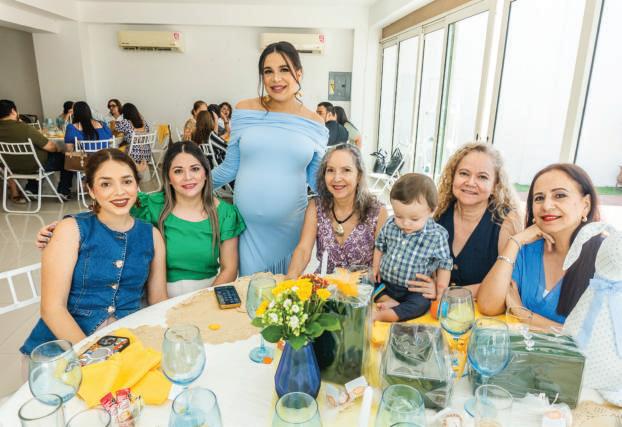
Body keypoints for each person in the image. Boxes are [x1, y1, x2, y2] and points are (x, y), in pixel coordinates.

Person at [38, 141, 245, 298]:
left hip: (207, 291)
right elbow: (108, 211)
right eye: (178, 171)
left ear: (206, 173)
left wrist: (205, 301)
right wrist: (64, 227)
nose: (188, 177)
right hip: (156, 293)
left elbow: (229, 268)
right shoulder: (150, 205)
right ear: (168, 178)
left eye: (195, 169)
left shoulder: (225, 213)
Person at [21, 148, 168, 356]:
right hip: (66, 347)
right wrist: (93, 356)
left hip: (126, 341)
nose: (119, 192)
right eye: (106, 184)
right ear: (91, 190)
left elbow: (158, 299)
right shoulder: (71, 230)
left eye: (127, 181)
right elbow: (52, 309)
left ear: (137, 185)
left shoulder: (151, 235)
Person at [211, 41, 328, 275]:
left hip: (291, 228)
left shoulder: (314, 122)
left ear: (298, 73)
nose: (276, 79)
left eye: (284, 69)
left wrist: (354, 204)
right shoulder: (245, 110)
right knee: (249, 292)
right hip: (247, 229)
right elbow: (229, 168)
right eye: (268, 71)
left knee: (286, 294)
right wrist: (181, 188)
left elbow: (317, 181)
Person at [479, 163, 602, 328]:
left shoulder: (607, 258)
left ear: (585, 205)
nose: (546, 206)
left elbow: (597, 339)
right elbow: (488, 306)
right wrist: (515, 242)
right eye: (539, 198)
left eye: (559, 195)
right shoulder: (526, 251)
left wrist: (523, 313)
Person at [429, 143, 522, 298]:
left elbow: (509, 282)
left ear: (495, 185)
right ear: (453, 177)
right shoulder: (438, 213)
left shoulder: (507, 221)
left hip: (483, 310)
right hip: (435, 307)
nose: (471, 182)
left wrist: (447, 294)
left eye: (482, 177)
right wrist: (429, 284)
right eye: (464, 173)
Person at [287, 144, 387, 278]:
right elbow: (303, 250)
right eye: (330, 170)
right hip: (324, 286)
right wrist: (291, 277)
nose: (337, 178)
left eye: (346, 170)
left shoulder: (378, 212)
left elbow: (386, 259)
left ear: (359, 175)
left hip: (362, 288)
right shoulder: (315, 206)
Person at [372, 173, 453, 322]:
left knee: (421, 304)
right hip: (386, 283)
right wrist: (375, 267)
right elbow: (379, 245)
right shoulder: (390, 224)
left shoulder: (437, 235)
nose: (405, 223)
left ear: (431, 211)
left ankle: (384, 315)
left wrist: (441, 291)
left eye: (414, 219)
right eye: (399, 216)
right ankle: (388, 300)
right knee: (367, 282)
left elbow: (444, 265)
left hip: (414, 290)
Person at [0, 99, 71, 202]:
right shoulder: (24, 128)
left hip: (9, 168)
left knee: (34, 157)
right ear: (13, 111)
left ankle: (31, 190)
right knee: (67, 159)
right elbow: (51, 147)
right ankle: (63, 191)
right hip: (34, 166)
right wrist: (58, 148)